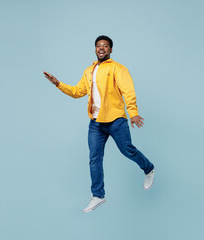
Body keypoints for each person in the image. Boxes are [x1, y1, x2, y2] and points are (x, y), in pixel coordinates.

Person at [43, 35, 155, 213]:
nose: (101, 48)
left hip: (116, 119)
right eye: (98, 46)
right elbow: (77, 91)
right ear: (95, 49)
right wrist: (58, 84)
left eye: (105, 46)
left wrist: (133, 113)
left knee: (127, 150)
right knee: (94, 158)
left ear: (111, 50)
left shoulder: (118, 68)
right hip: (96, 123)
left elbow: (128, 91)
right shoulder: (89, 71)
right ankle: (98, 195)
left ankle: (148, 169)